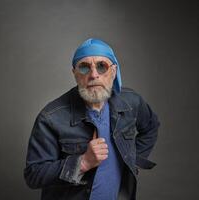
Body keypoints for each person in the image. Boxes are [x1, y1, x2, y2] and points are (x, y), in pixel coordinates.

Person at [24, 38, 160, 200]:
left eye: (102, 66)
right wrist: (82, 163)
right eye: (84, 67)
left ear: (113, 71)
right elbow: (33, 175)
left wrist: (132, 159)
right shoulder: (51, 117)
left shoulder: (132, 101)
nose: (93, 74)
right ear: (74, 73)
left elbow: (151, 126)